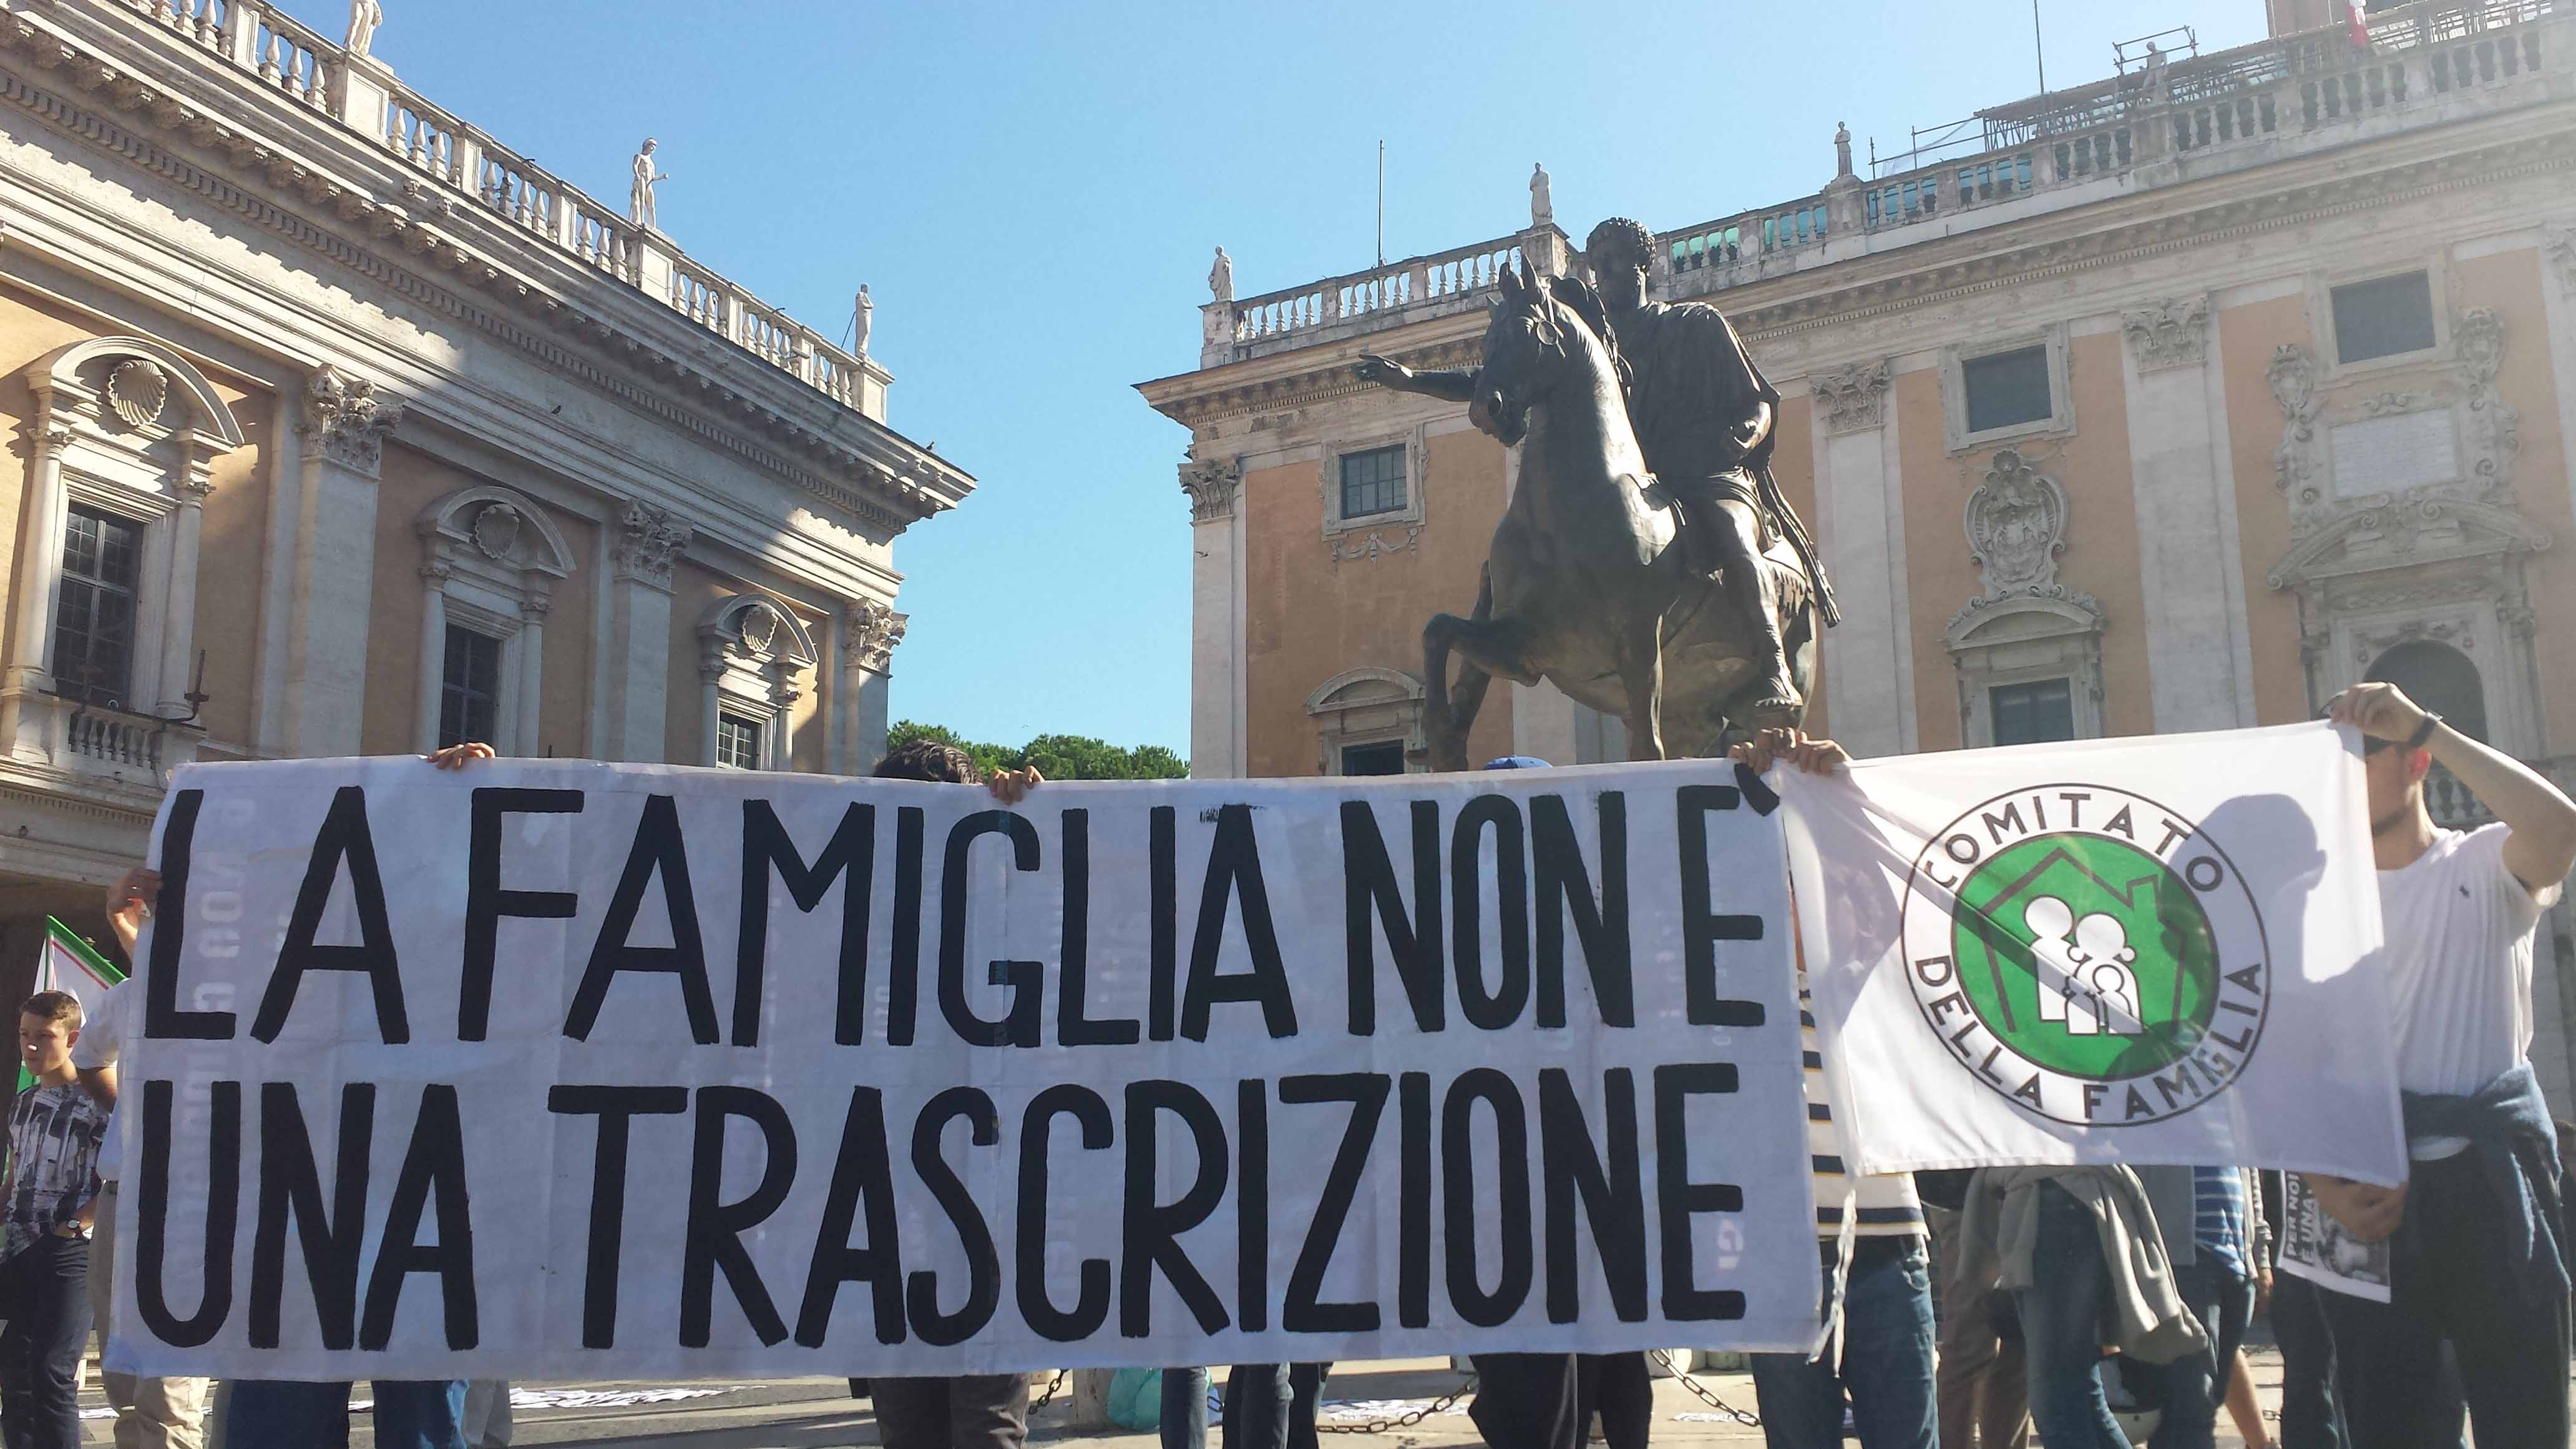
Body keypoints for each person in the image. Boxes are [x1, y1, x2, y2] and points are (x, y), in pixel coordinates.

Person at [1357, 217, 1838, 723]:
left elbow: (1757, 400)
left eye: (1615, 261)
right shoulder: (1591, 340)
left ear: (1642, 266)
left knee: (1737, 542)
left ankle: (1773, 669)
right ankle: (1457, 716)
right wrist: (1411, 380)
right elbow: (1499, 376)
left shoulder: (1695, 323)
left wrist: (1747, 434)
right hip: (1639, 481)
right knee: (1498, 580)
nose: (1603, 272)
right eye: (1597, 263)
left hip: (1705, 470)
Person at [2302, 680, 2576, 1447]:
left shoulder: (2487, 863)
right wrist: (2325, 1185)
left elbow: (2561, 827)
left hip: (2494, 1186)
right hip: (2366, 1198)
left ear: (2415, 762)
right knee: (2390, 1432)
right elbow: (2290, 1065)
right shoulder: (2308, 904)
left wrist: (2432, 725)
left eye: (2362, 752)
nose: (2342, 771)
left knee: (2527, 1426)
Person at [218, 742, 495, 1449]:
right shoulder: (292, 967)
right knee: (281, 1426)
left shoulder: (475, 974)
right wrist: (152, 928)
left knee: (424, 1430)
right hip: (299, 1227)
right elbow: (198, 1018)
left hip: (429, 1226)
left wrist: (468, 801)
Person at [1732, 731, 1938, 1449]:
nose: (1809, 895)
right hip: (1782, 1258)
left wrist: (1840, 786)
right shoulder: (1729, 1004)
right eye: (1792, 881)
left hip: (1889, 1251)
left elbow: (1896, 889)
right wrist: (1732, 796)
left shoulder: (1874, 984)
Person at [85, 867, 212, 1449]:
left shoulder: (242, 995)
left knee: (168, 1381)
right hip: (121, 1195)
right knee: (121, 1369)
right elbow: (88, 1060)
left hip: (189, 1199)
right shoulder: (131, 995)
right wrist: (129, 1115)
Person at [0, 989, 106, 1449]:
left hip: (71, 1250)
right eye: (25, 1036)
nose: (31, 1047)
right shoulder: (22, 1104)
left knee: (53, 1370)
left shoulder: (99, 1101)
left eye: (44, 1036)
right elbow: (16, 1172)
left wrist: (78, 1226)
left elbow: (120, 1179)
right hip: (18, 1243)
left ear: (72, 1038)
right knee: (16, 1369)